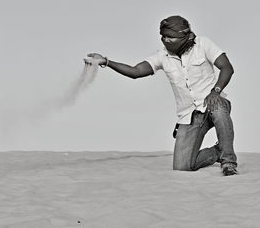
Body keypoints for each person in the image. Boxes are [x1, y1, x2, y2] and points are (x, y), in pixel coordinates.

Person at [85, 15, 238, 176]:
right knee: (182, 166)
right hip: (188, 116)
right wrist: (106, 62)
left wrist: (216, 91)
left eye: (170, 37)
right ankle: (218, 151)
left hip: (211, 102)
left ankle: (229, 162)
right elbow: (135, 71)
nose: (165, 40)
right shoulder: (161, 56)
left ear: (185, 36)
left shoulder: (203, 44)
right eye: (163, 36)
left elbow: (227, 67)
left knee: (219, 108)